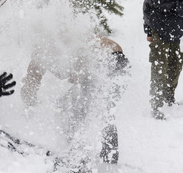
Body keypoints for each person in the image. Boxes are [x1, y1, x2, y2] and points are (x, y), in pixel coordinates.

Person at [21, 36, 129, 164]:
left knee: (92, 110)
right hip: (114, 62)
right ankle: (77, 152)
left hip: (110, 63)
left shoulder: (61, 45)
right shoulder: (43, 55)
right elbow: (30, 84)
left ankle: (92, 158)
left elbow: (85, 67)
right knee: (67, 106)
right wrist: (29, 106)